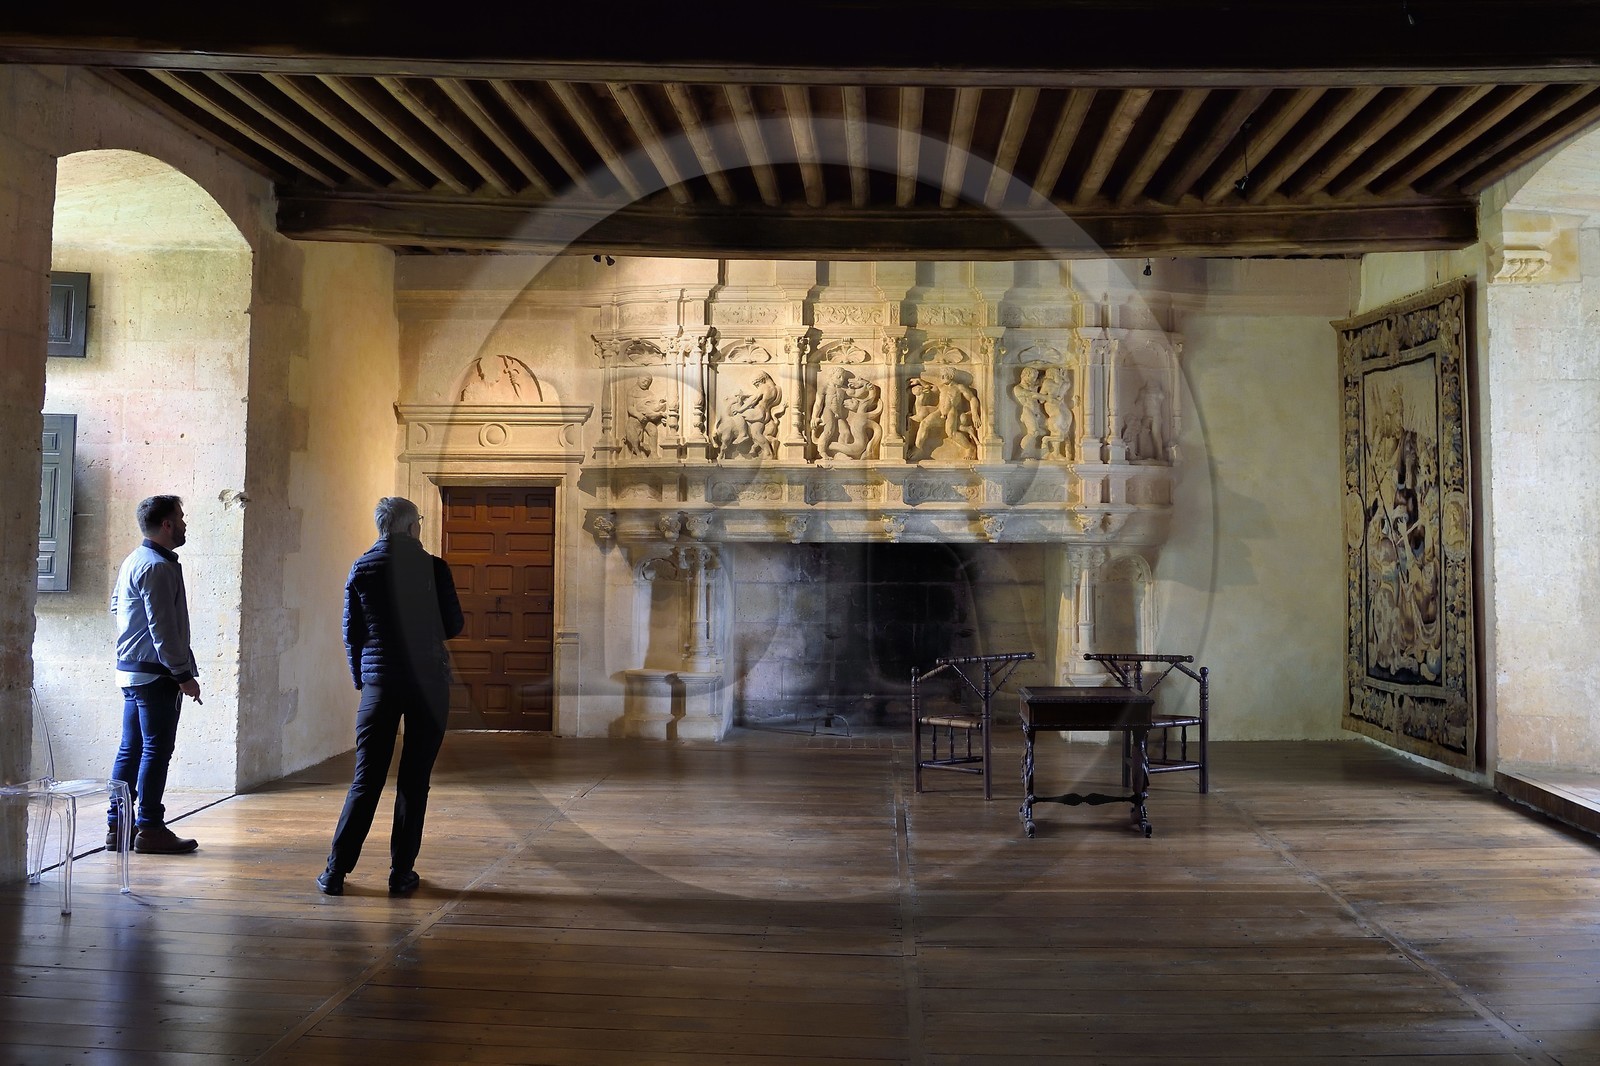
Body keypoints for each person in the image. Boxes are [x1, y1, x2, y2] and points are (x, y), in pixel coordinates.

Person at [317, 496, 464, 896]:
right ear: (412, 526)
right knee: (415, 781)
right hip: (428, 683)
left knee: (365, 780)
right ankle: (401, 873)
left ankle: (335, 872)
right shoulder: (435, 568)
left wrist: (363, 680)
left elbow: (352, 632)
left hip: (379, 685)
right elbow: (453, 625)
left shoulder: (362, 567)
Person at [108, 494, 202, 854]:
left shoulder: (135, 559)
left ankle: (118, 828)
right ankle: (149, 828)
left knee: (130, 749)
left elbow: (116, 606)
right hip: (156, 675)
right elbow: (164, 630)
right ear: (166, 524)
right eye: (181, 517)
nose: (184, 523)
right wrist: (183, 674)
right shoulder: (158, 567)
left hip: (132, 671)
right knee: (155, 751)